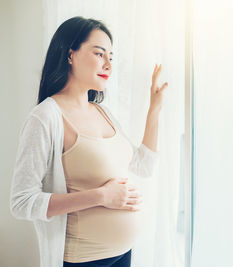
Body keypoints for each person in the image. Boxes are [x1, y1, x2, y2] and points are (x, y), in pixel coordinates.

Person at [9, 16, 168, 267]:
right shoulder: (45, 118)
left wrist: (154, 110)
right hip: (84, 260)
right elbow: (22, 202)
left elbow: (143, 166)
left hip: (123, 254)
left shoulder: (103, 112)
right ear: (70, 55)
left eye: (111, 57)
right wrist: (101, 196)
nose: (108, 64)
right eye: (99, 53)